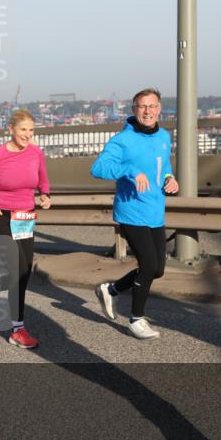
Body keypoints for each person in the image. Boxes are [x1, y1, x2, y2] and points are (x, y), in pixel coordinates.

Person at [91, 89, 179, 339]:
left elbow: (165, 166)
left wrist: (170, 179)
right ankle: (136, 319)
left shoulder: (163, 137)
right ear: (134, 110)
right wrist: (130, 171)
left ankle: (111, 289)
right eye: (142, 106)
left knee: (158, 269)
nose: (148, 111)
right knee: (149, 265)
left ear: (160, 108)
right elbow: (98, 168)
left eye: (152, 106)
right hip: (130, 212)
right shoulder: (122, 140)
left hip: (155, 212)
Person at [0, 109, 51, 349]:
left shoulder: (36, 153)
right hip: (1, 218)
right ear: (11, 130)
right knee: (17, 269)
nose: (28, 134)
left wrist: (45, 195)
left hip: (24, 218)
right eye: (23, 129)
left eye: (31, 130)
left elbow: (43, 181)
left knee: (24, 273)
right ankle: (18, 330)